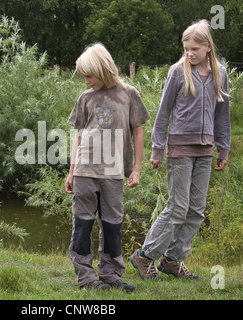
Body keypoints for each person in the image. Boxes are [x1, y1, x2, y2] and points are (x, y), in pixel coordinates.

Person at [129, 19, 230, 280]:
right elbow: (163, 113)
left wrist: (224, 149)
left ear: (208, 47)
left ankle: (173, 260)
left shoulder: (220, 73)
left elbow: (222, 116)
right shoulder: (177, 72)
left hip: (205, 150)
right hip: (179, 149)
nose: (189, 53)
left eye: (195, 48)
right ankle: (145, 256)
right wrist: (157, 149)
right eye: (186, 48)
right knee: (177, 207)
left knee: (196, 209)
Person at [65, 43, 150, 291]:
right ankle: (87, 278)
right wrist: (71, 172)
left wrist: (136, 169)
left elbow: (138, 131)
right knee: (82, 224)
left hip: (113, 173)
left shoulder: (129, 94)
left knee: (112, 224)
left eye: (89, 76)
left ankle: (111, 274)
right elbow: (78, 136)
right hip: (84, 171)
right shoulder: (85, 98)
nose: (86, 82)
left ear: (103, 70)